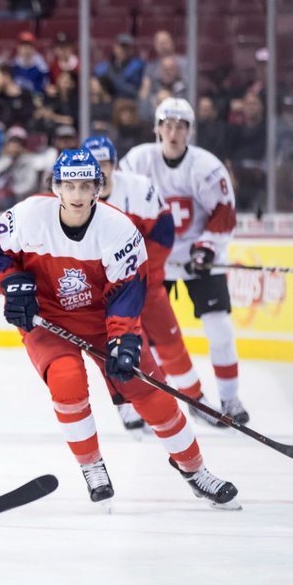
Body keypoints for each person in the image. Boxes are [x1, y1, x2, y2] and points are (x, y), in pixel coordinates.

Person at [0, 147, 239, 510]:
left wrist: (124, 338)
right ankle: (92, 466)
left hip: (102, 319)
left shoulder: (118, 229)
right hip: (48, 319)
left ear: (98, 188)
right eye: (70, 186)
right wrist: (11, 283)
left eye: (87, 186)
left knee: (150, 391)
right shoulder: (28, 215)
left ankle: (195, 471)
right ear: (56, 187)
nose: (78, 195)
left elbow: (127, 292)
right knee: (67, 383)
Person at [120, 97, 249, 424]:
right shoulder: (137, 162)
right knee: (140, 333)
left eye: (180, 126)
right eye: (167, 125)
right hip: (152, 258)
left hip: (196, 257)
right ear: (157, 128)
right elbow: (117, 210)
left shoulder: (207, 167)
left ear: (190, 131)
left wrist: (206, 248)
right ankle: (146, 401)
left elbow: (223, 215)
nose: (173, 132)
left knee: (219, 328)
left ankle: (230, 400)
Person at [82, 136, 221, 434]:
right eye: (94, 165)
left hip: (145, 284)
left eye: (104, 163)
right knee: (118, 350)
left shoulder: (138, 189)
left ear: (114, 164)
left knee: (171, 343)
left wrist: (143, 272)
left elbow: (162, 233)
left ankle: (196, 399)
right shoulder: (75, 199)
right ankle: (128, 406)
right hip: (106, 296)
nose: (100, 170)